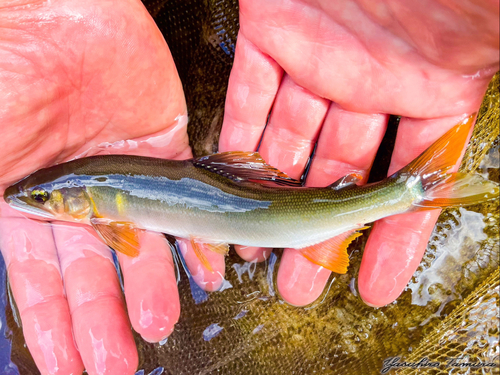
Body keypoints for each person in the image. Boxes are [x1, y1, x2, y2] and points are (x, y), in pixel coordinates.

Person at [0, 0, 497, 374]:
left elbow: (121, 235)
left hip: (280, 212)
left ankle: (409, 191)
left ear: (80, 198)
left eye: (42, 198)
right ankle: (408, 191)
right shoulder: (99, 195)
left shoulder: (106, 215)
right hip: (277, 210)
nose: (35, 203)